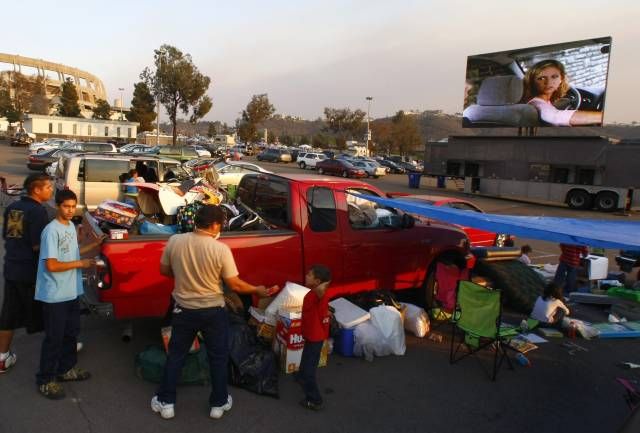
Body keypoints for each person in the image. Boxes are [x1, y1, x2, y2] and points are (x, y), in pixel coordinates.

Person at [151, 204, 277, 420]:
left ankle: (166, 402)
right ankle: (218, 404)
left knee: (176, 356)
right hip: (213, 311)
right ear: (215, 225)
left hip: (183, 310)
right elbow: (235, 285)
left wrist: (183, 276)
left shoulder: (175, 241)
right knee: (218, 357)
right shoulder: (221, 250)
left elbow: (164, 270)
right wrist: (257, 290)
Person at [35, 189, 99, 399]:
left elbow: (72, 253)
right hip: (54, 295)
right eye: (66, 206)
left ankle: (66, 370)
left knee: (71, 334)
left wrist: (94, 245)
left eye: (73, 206)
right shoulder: (51, 231)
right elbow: (52, 264)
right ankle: (45, 380)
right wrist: (81, 263)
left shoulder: (71, 226)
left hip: (72, 292)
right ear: (57, 206)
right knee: (54, 338)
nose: (70, 211)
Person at [0, 174, 53, 373]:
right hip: (30, 272)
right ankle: (65, 346)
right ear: (36, 190)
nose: (51, 190)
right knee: (50, 310)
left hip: (12, 268)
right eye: (48, 187)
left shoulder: (14, 207)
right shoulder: (38, 211)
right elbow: (37, 246)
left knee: (9, 313)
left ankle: (2, 357)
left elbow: (12, 236)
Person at [522, 59, 603, 126]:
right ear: (532, 82)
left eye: (554, 77)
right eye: (541, 78)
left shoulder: (545, 100)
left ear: (561, 79)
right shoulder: (536, 103)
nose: (548, 82)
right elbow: (555, 116)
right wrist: (604, 116)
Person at [297, 264, 332, 411]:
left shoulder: (319, 294)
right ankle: (300, 376)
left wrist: (324, 283)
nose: (306, 276)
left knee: (308, 371)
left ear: (317, 282)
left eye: (309, 275)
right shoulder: (312, 292)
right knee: (305, 362)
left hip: (315, 338)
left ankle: (314, 399)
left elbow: (321, 291)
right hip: (311, 336)